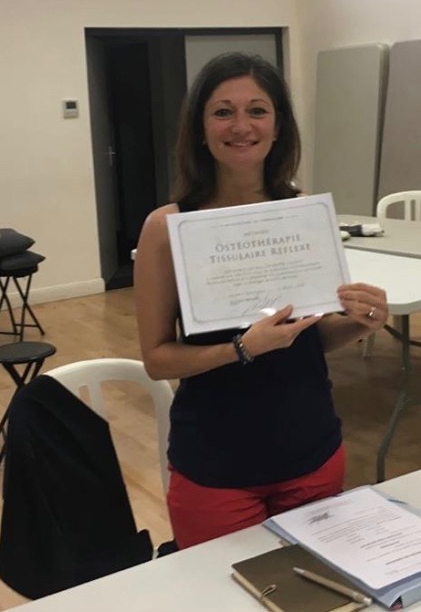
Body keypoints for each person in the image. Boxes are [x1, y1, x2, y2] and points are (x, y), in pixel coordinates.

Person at [134, 52, 389, 550]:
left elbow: (308, 338)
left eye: (257, 110)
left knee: (314, 586)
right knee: (221, 588)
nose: (241, 126)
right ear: (200, 128)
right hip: (216, 462)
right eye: (222, 111)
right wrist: (241, 348)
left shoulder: (301, 211)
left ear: (278, 127)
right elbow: (157, 359)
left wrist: (359, 323)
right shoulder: (167, 227)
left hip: (312, 448)